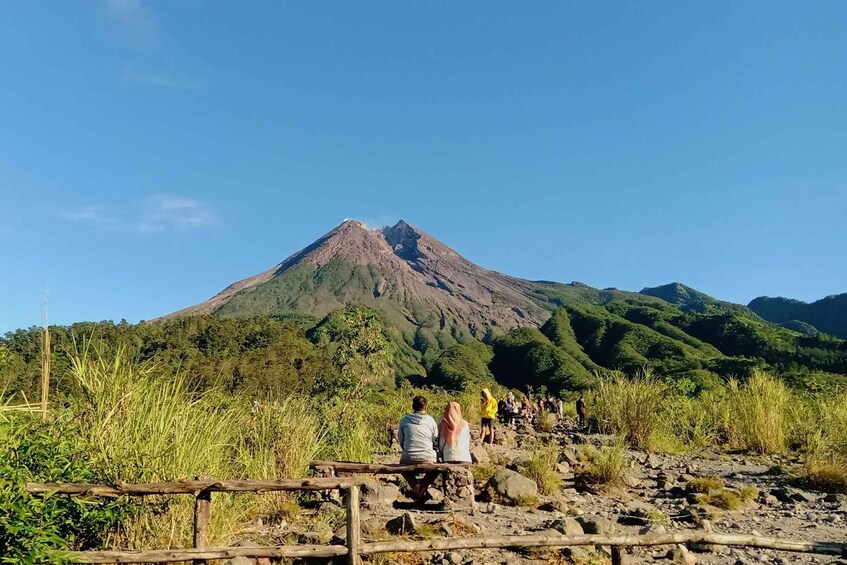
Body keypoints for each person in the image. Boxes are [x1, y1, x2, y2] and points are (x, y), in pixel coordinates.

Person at [398, 395, 439, 501]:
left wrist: (407, 448)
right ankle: (423, 487)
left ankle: (415, 485)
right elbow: (434, 437)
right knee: (436, 469)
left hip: (409, 456)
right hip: (427, 456)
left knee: (402, 467)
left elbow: (401, 439)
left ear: (413, 407)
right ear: (426, 407)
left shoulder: (404, 420)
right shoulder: (430, 420)